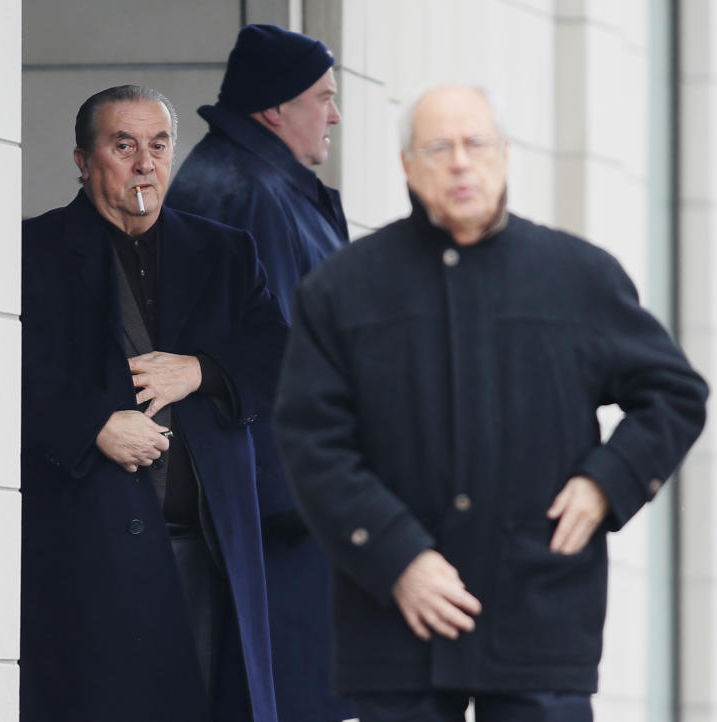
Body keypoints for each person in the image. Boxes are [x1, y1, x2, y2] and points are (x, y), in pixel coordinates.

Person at [272, 84, 708, 722]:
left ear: (505, 154)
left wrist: (606, 484)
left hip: (540, 611)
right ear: (406, 165)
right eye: (437, 146)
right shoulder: (344, 287)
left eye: (475, 143)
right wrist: (398, 557)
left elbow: (675, 394)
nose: (458, 162)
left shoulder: (578, 277)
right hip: (395, 621)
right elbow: (311, 440)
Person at [20, 85, 287, 722]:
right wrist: (92, 427)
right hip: (88, 546)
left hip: (207, 544)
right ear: (83, 161)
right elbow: (3, 374)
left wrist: (203, 371)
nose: (146, 162)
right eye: (124, 145)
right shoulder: (33, 251)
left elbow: (283, 358)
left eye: (159, 145)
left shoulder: (227, 250)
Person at [168, 25, 352, 722]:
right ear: (275, 107)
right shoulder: (250, 194)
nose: (333, 115)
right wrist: (310, 502)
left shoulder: (265, 186)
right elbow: (274, 358)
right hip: (282, 516)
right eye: (323, 98)